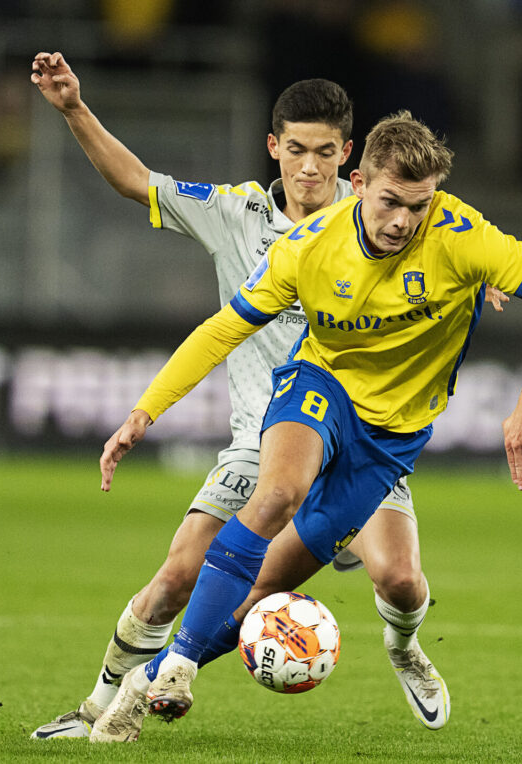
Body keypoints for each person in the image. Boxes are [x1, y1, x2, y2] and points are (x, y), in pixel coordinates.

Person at [93, 111, 522, 741]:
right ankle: (163, 682)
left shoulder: (461, 235)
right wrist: (145, 410)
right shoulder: (307, 248)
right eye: (390, 201)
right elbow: (224, 329)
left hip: (391, 435)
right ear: (358, 183)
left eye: (419, 206)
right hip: (320, 385)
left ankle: (399, 644)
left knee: (345, 581)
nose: (402, 221)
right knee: (277, 492)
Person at [28, 53, 490, 739]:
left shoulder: (382, 218)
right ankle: (100, 704)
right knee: (177, 577)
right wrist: (72, 108)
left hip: (360, 438)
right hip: (264, 443)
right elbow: (134, 181)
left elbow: (453, 247)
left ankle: (404, 646)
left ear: (349, 157)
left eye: (325, 152)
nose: (310, 167)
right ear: (274, 147)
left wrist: (484, 276)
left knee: (400, 583)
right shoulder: (233, 214)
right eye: (296, 150)